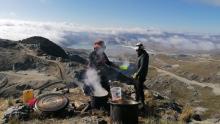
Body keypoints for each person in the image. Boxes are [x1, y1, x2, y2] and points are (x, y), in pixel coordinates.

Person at [133, 42, 149, 108]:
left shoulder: (144, 55)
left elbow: (142, 67)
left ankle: (142, 103)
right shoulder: (141, 54)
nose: (136, 51)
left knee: (139, 89)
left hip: (141, 76)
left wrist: (137, 74)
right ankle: (136, 100)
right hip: (138, 75)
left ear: (141, 49)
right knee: (136, 88)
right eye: (136, 50)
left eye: (137, 50)